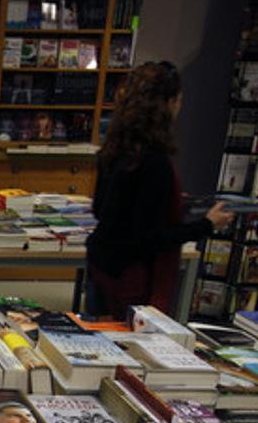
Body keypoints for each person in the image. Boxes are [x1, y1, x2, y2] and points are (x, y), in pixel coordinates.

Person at [86, 61, 235, 318]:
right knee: (130, 341)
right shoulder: (155, 161)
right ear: (167, 104)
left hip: (103, 263)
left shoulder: (115, 148)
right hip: (131, 275)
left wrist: (164, 202)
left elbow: (101, 208)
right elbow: (151, 238)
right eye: (178, 100)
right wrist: (207, 224)